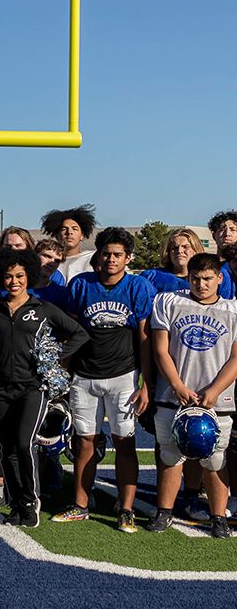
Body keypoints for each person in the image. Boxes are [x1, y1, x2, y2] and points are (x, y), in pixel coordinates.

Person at [0, 248, 89, 527]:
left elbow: (79, 333)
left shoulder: (43, 309)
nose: (14, 281)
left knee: (24, 443)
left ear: (28, 275)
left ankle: (31, 502)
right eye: (8, 276)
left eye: (19, 275)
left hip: (33, 388)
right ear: (0, 278)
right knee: (7, 447)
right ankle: (16, 503)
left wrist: (55, 356)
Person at [53, 228, 155, 533]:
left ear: (128, 258)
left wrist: (146, 383)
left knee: (125, 442)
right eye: (106, 253)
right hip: (84, 375)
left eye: (118, 254)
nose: (111, 259)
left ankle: (125, 509)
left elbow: (145, 338)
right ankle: (81, 505)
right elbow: (70, 332)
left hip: (123, 376)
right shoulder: (81, 285)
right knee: (84, 443)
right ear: (98, 255)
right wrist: (62, 373)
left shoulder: (137, 287)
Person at [146, 253, 237, 539]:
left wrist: (215, 389)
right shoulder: (169, 302)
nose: (201, 284)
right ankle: (164, 511)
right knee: (170, 455)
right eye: (195, 278)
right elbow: (160, 349)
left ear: (220, 278)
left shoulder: (233, 309)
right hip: (175, 395)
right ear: (188, 277)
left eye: (208, 278)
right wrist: (177, 386)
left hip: (216, 398)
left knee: (215, 458)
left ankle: (218, 516)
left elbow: (236, 357)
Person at [40, 205, 97, 282]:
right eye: (64, 229)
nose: (69, 232)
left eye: (74, 229)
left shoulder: (93, 258)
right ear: (56, 235)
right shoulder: (48, 261)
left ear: (82, 235)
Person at [140, 227, 202, 294]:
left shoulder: (207, 279)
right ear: (168, 252)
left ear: (195, 250)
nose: (179, 251)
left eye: (185, 247)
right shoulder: (151, 277)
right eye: (174, 248)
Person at [207, 211, 237, 299]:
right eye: (222, 229)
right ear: (214, 236)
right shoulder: (206, 264)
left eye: (233, 229)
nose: (227, 234)